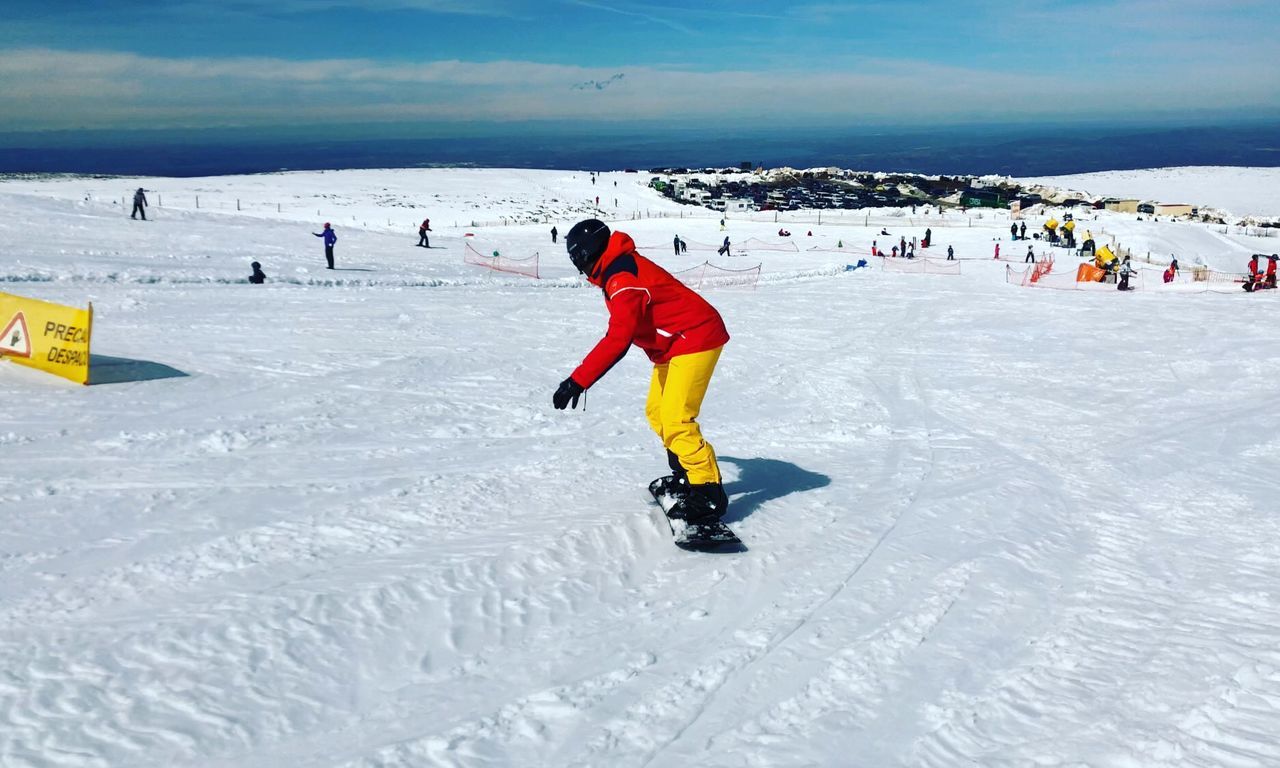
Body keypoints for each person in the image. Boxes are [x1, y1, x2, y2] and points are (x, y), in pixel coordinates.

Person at [553, 219, 731, 526]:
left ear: (587, 253)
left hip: (695, 338)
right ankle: (687, 473)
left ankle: (707, 493)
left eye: (577, 258)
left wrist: (577, 381)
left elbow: (618, 339)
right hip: (673, 346)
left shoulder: (622, 279)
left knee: (676, 419)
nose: (578, 265)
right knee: (658, 412)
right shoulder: (615, 271)